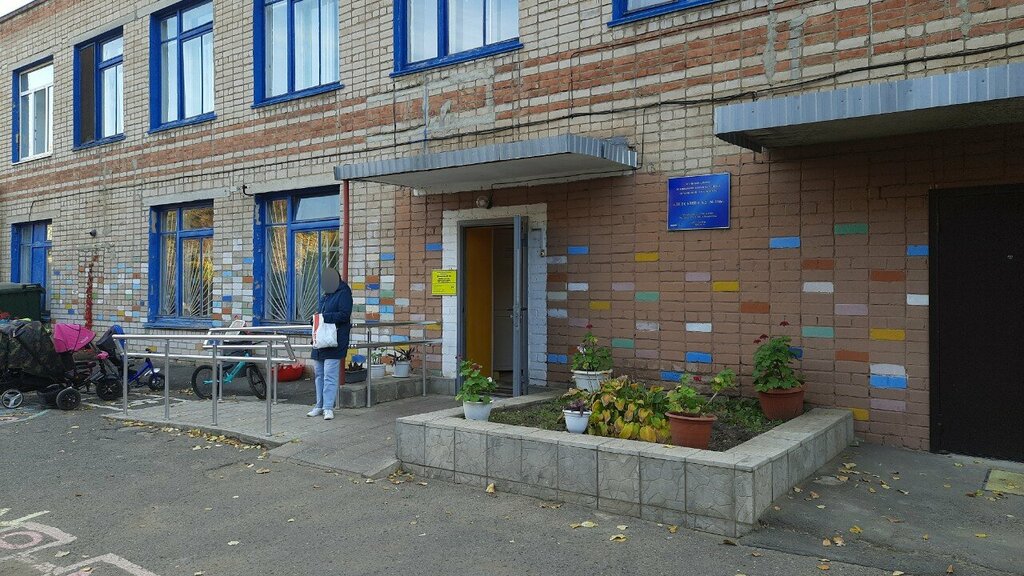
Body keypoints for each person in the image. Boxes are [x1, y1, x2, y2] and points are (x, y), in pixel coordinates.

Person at [309, 267, 352, 420]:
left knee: (329, 375)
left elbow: (344, 315)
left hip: (335, 340)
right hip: (320, 340)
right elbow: (321, 314)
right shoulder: (325, 295)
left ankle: (328, 407)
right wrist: (315, 319)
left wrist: (324, 317)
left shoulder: (344, 292)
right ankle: (319, 405)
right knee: (319, 374)